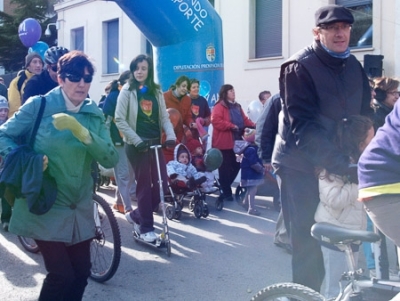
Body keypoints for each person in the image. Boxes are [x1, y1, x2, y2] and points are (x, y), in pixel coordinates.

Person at [0, 50, 119, 301]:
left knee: (81, 273)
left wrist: (83, 133)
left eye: (87, 78)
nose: (81, 83)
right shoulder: (39, 105)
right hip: (46, 202)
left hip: (79, 206)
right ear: (60, 79)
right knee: (61, 275)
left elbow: (110, 158)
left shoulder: (93, 114)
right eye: (74, 76)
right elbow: (4, 135)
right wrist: (28, 161)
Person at [272, 5, 373, 292]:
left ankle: (338, 295)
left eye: (345, 27)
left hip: (337, 162)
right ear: (318, 33)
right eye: (332, 28)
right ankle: (305, 296)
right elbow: (303, 128)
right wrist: (343, 165)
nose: (340, 33)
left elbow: (364, 116)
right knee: (308, 241)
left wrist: (367, 153)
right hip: (299, 164)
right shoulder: (298, 67)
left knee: (342, 236)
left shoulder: (353, 66)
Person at [115, 54, 176, 243]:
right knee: (144, 185)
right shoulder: (127, 90)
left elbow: (164, 117)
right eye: (136, 68)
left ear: (149, 71)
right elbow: (119, 119)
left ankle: (137, 215)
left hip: (155, 142)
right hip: (137, 145)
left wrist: (171, 135)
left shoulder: (156, 91)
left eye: (143, 68)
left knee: (162, 183)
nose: (140, 72)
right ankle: (145, 228)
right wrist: (136, 139)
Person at [315, 115, 374, 299]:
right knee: (336, 290)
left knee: (349, 288)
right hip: (335, 233)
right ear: (359, 143)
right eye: (371, 138)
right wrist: (359, 184)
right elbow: (334, 199)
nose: (375, 141)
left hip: (351, 232)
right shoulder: (336, 165)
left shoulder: (358, 162)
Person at [211, 84, 255, 202]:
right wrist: (231, 126)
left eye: (233, 90)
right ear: (225, 93)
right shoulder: (219, 106)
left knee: (236, 165)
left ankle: (223, 186)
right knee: (224, 168)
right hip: (223, 143)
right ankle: (226, 192)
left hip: (237, 142)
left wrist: (254, 125)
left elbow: (245, 119)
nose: (233, 92)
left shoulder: (237, 106)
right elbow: (216, 121)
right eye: (230, 91)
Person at [103, 70, 137, 214]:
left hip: (130, 140)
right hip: (117, 141)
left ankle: (118, 203)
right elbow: (110, 120)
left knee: (130, 174)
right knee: (123, 174)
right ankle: (128, 209)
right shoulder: (114, 96)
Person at [235, 128, 265, 216]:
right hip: (251, 174)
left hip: (249, 173)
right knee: (253, 190)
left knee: (250, 189)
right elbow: (253, 163)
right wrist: (261, 169)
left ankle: (245, 202)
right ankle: (251, 208)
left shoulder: (250, 148)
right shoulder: (251, 150)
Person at [8, 52, 44, 117]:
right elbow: (14, 107)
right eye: (34, 62)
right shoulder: (17, 82)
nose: (38, 65)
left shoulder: (47, 80)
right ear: (28, 66)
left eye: (40, 62)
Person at [0, 96, 10, 231]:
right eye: (0, 110)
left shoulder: (10, 125)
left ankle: (6, 219)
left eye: (5, 110)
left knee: (6, 192)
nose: (3, 113)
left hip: (5, 165)